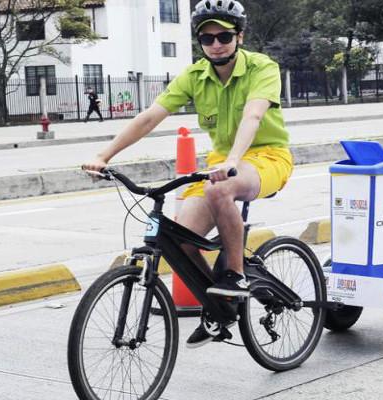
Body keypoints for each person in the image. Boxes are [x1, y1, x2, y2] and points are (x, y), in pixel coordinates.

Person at [82, 0, 293, 348]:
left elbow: (252, 117)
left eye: (223, 35)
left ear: (238, 35)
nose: (216, 44)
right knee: (178, 238)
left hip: (266, 157)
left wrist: (233, 162)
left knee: (219, 191)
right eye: (207, 38)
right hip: (219, 165)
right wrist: (103, 155)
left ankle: (235, 276)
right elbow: (151, 116)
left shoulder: (261, 67)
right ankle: (219, 306)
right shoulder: (195, 76)